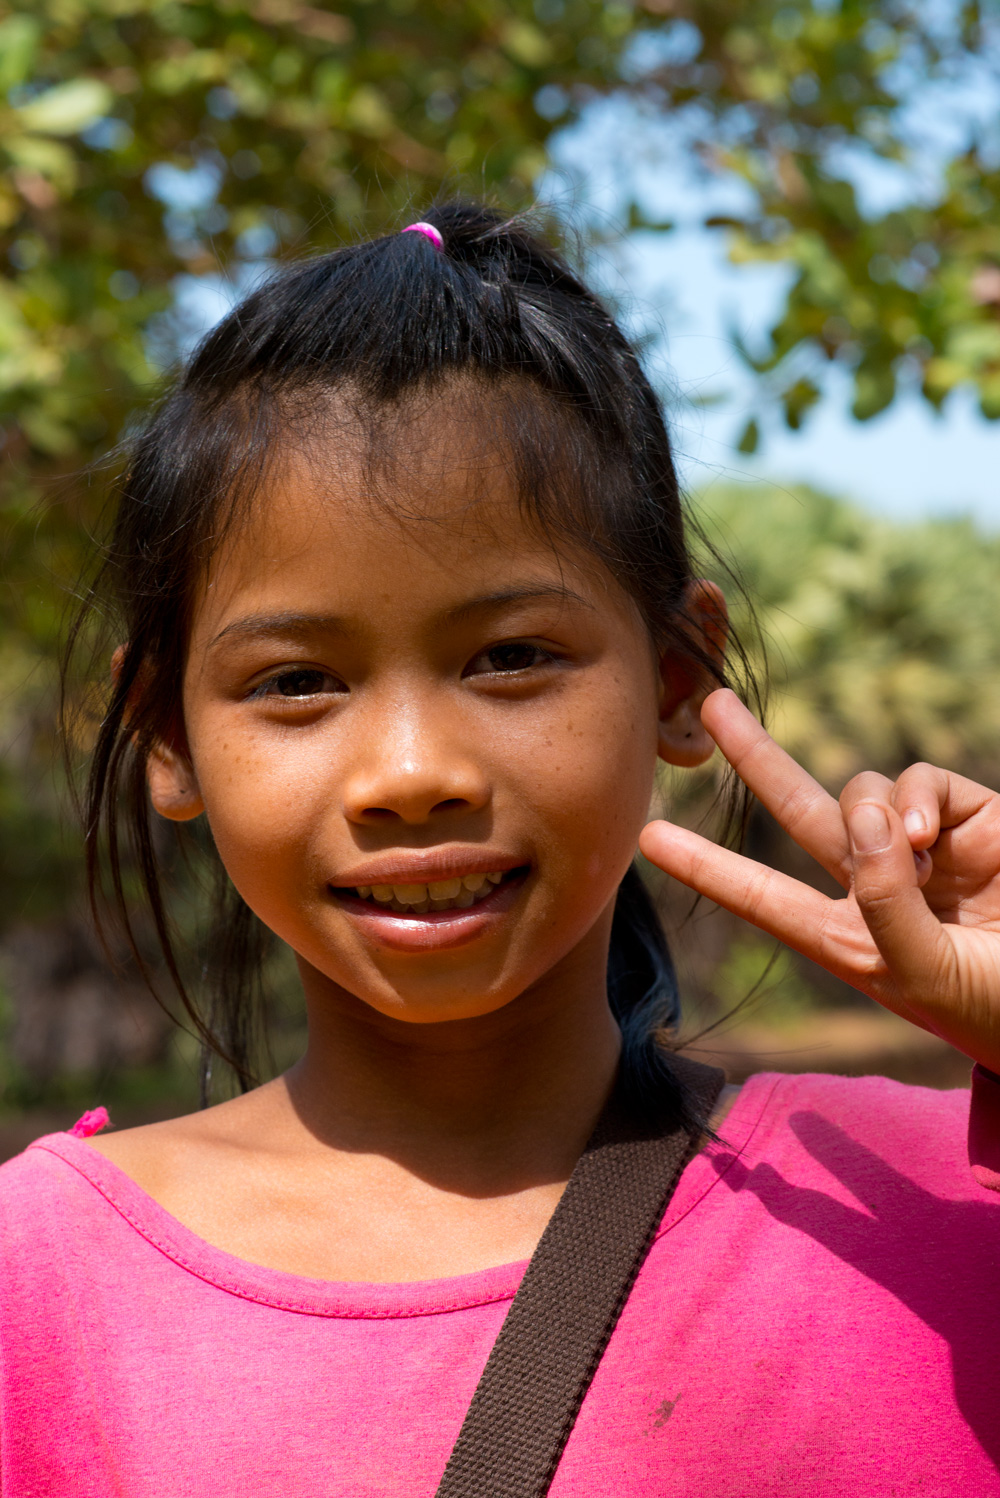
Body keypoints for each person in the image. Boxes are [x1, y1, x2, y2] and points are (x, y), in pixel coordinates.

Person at [1, 203, 998, 1496]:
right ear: (169, 736)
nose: (413, 773)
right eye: (298, 680)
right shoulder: (42, 1283)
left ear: (675, 677)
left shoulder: (938, 1211)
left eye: (512, 656)